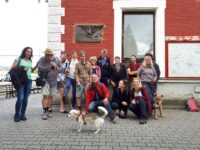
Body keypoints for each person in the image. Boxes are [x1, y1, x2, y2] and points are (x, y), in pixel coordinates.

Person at [37, 48, 62, 120]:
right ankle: (44, 112)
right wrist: (49, 67)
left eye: (49, 55)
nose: (48, 56)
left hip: (54, 81)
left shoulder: (56, 60)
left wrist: (56, 66)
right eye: (47, 55)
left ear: (52, 54)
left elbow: (61, 70)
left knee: (51, 97)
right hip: (45, 81)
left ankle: (47, 111)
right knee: (46, 96)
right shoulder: (42, 59)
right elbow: (40, 68)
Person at [11, 47, 33, 122]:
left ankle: (22, 114)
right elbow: (12, 70)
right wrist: (22, 69)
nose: (29, 53)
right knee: (20, 98)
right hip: (20, 81)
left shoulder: (30, 60)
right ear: (24, 51)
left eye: (30, 52)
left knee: (25, 99)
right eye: (27, 51)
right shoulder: (19, 59)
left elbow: (30, 70)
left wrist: (36, 65)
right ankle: (17, 114)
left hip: (29, 81)